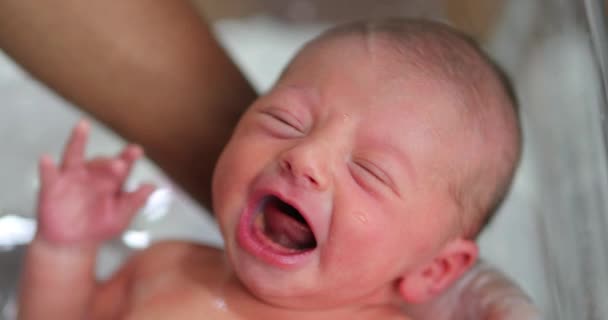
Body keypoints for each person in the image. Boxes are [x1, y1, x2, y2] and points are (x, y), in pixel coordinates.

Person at [18, 18, 522, 319]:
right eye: (284, 120)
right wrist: (63, 251)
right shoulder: (164, 268)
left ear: (435, 269)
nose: (304, 157)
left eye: (369, 171)